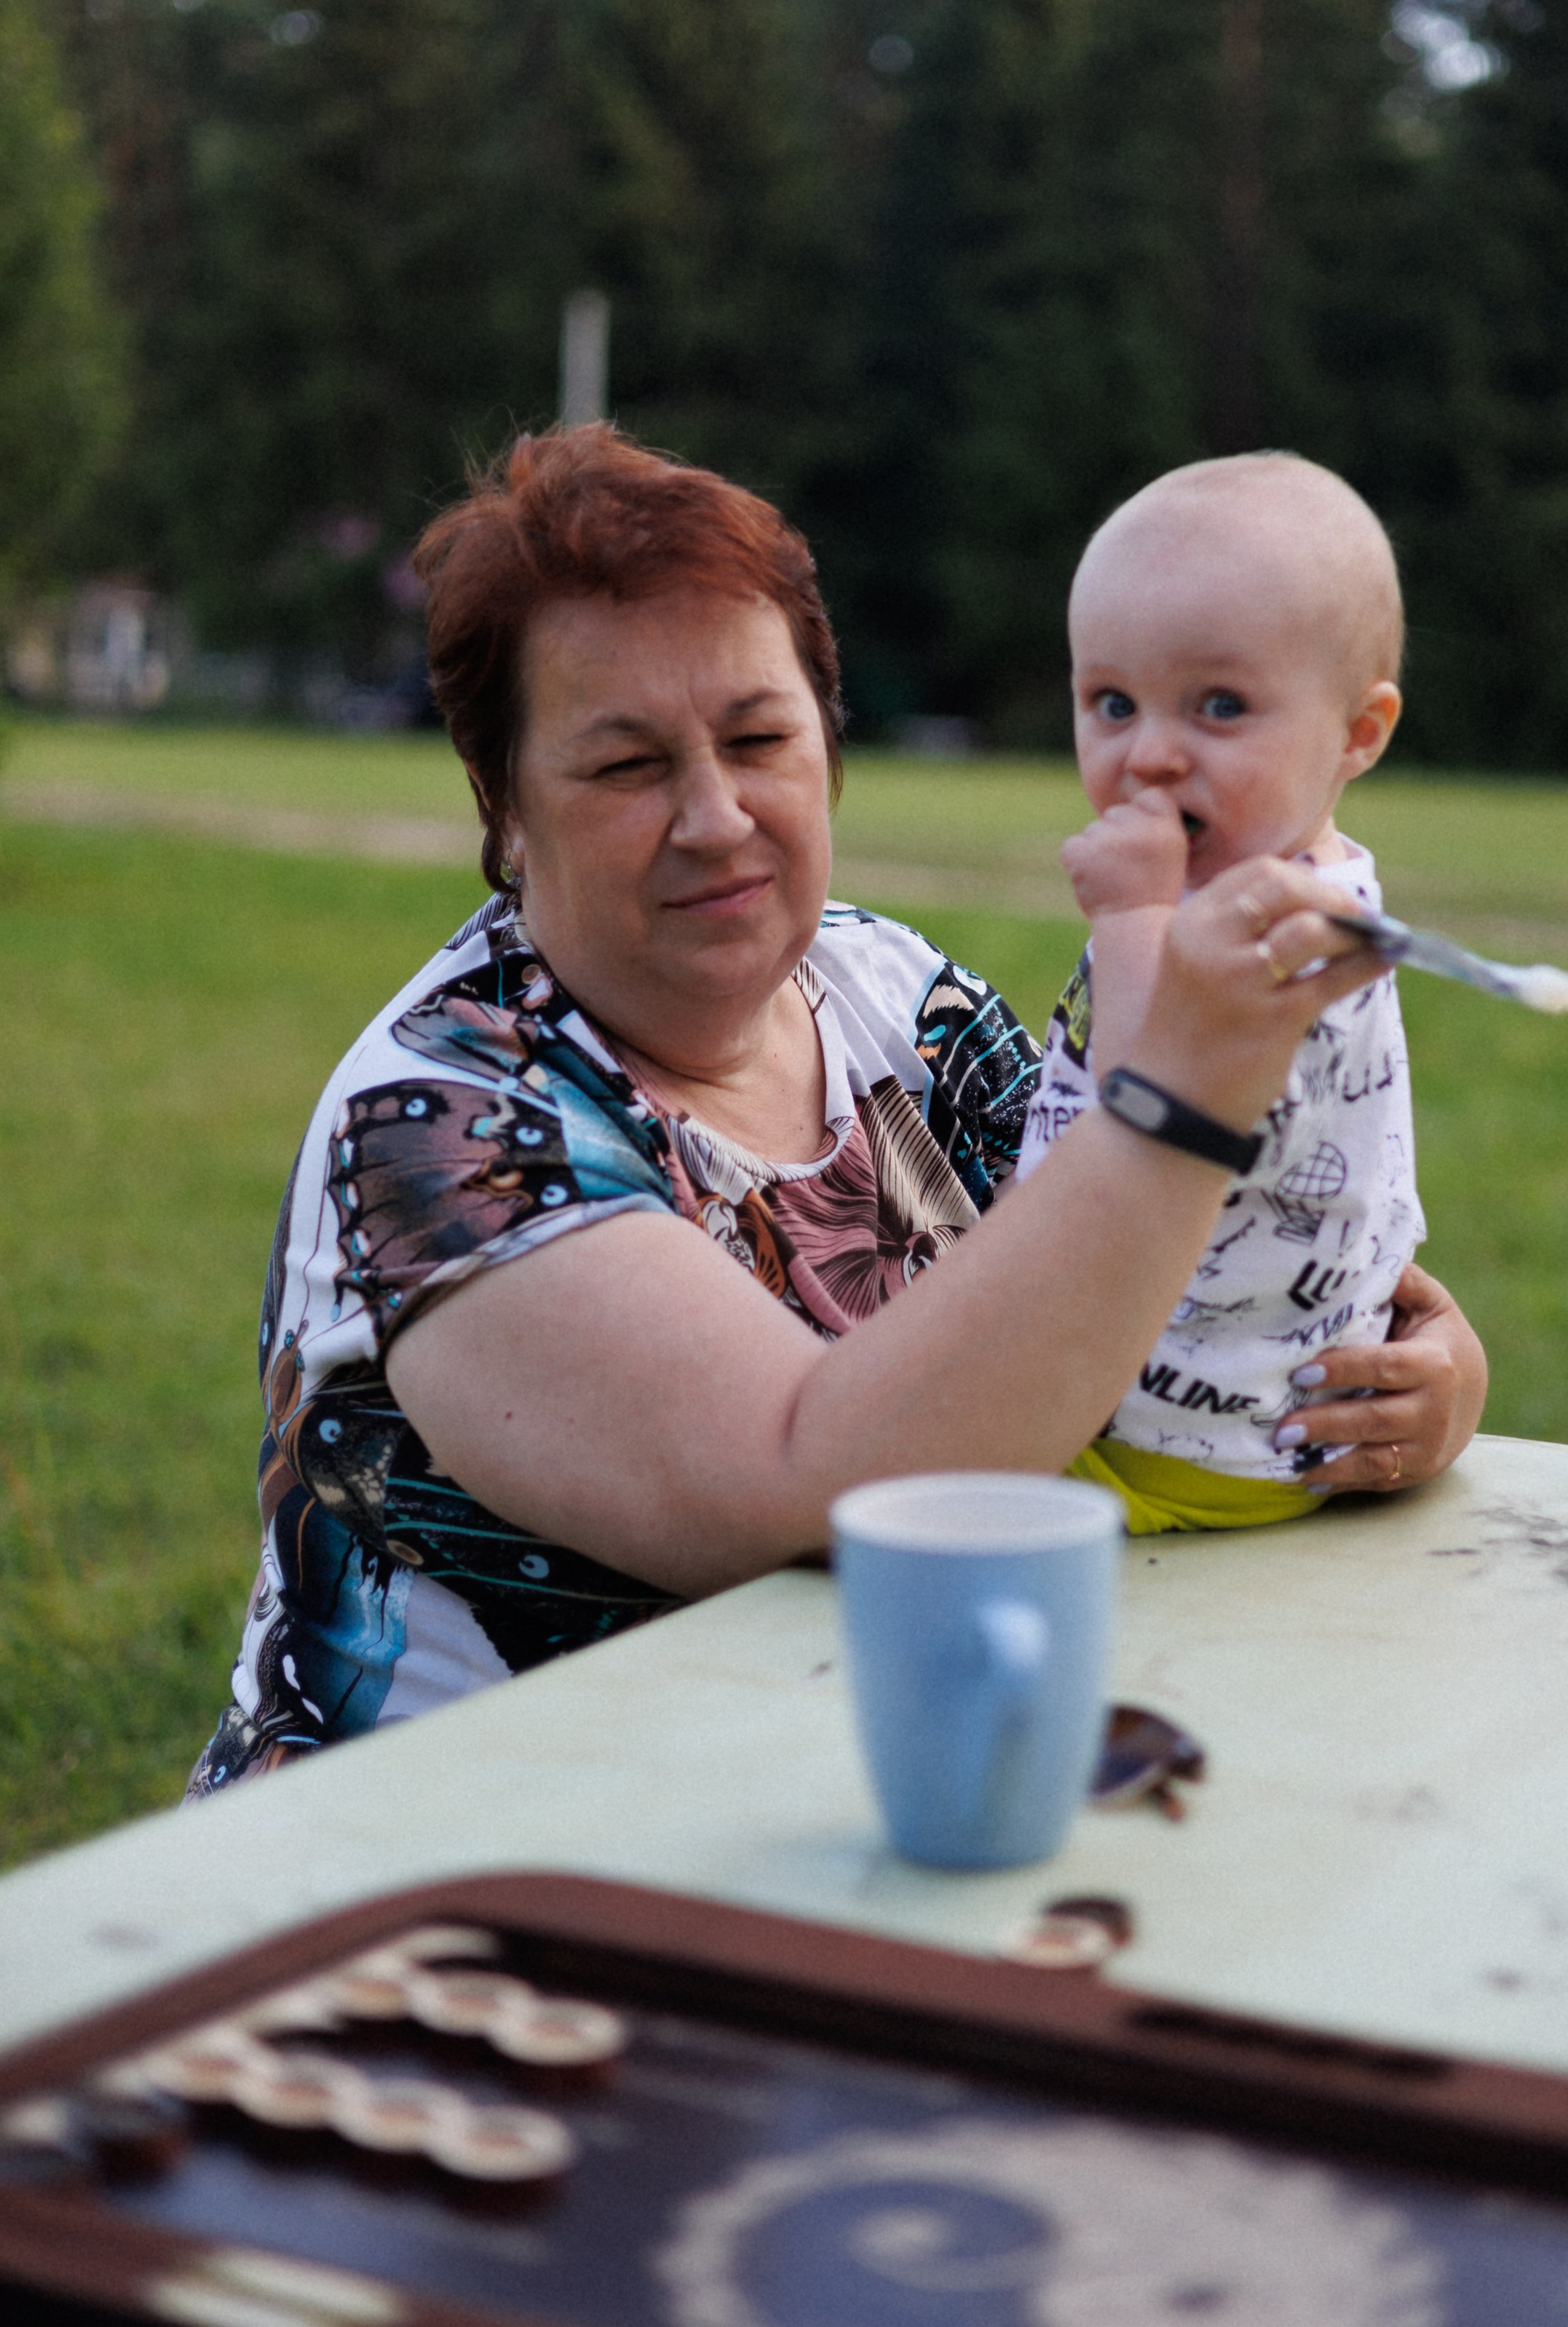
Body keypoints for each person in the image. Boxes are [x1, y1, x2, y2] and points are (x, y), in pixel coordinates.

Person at [189, 427, 1486, 1792]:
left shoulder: (889, 994)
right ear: (506, 808)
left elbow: (1173, 1278)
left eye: (760, 739)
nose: (715, 817)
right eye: (627, 767)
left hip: (836, 1818)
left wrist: (1408, 1385)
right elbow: (812, 1482)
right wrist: (1185, 1100)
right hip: (432, 1896)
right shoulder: (441, 1125)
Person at [1015, 453, 1428, 1534]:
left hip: (1158, 1439)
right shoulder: (1315, 893)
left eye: (1220, 707)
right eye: (1112, 702)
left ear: (1359, 734)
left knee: (887, 1508)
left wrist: (1127, 917)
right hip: (1243, 1414)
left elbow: (1145, 1105)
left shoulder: (1271, 940)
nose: (1148, 756)